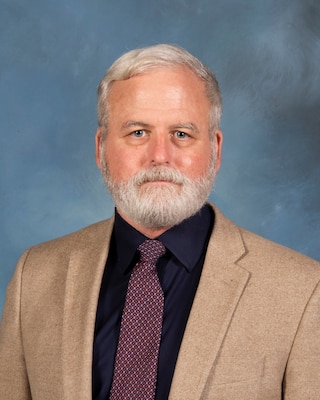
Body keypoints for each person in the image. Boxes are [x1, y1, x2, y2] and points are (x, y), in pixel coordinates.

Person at [0, 44, 319, 400]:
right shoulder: (35, 277)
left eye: (181, 134)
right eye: (138, 132)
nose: (160, 156)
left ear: (215, 149)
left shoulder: (303, 292)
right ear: (101, 146)